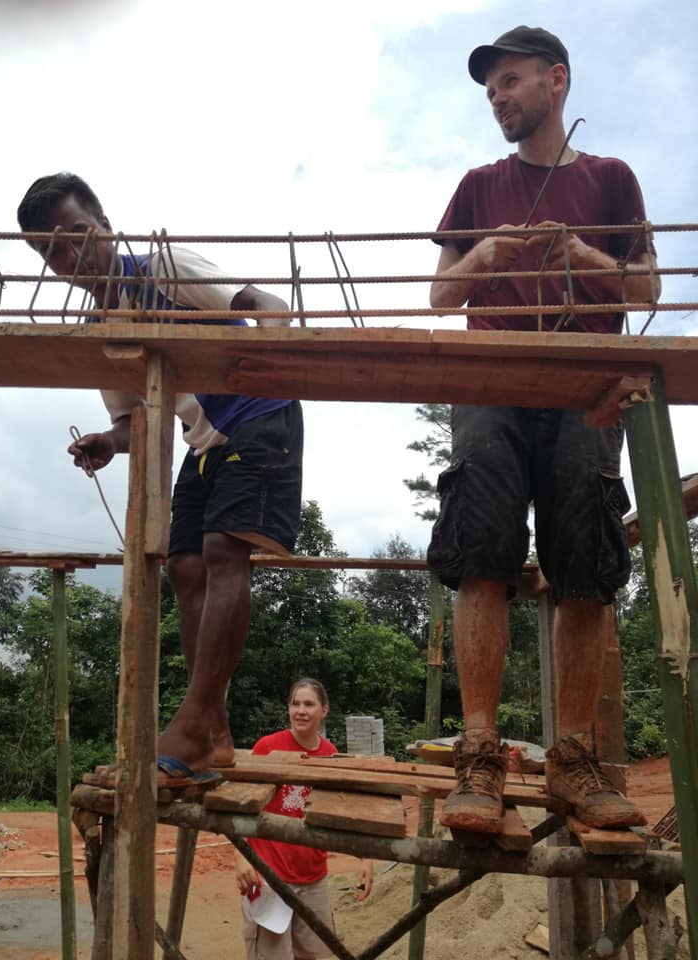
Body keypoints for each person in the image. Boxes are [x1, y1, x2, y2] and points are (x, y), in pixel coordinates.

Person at [426, 27, 659, 832]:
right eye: (491, 88)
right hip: (490, 380)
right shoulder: (477, 186)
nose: (498, 97)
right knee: (480, 555)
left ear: (556, 81)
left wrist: (581, 255)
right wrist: (481, 256)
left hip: (586, 386)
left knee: (585, 561)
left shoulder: (611, 178)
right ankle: (479, 755)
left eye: (511, 81)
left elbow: (649, 287)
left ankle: (574, 758)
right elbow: (440, 297)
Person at [17, 173, 303, 776]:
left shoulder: (164, 267)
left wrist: (283, 355)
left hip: (258, 413)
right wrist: (108, 442)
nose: (67, 257)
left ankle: (193, 724)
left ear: (106, 227)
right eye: (49, 252)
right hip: (203, 439)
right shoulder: (105, 326)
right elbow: (134, 419)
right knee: (184, 566)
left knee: (224, 551)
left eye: (76, 235)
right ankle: (214, 731)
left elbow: (264, 306)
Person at [235, 678, 373, 960]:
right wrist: (241, 859)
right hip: (268, 878)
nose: (301, 711)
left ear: (324, 710)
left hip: (313, 881)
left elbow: (341, 812)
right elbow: (238, 805)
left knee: (318, 955)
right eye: (295, 704)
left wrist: (365, 856)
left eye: (309, 704)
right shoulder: (268, 748)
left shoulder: (330, 755)